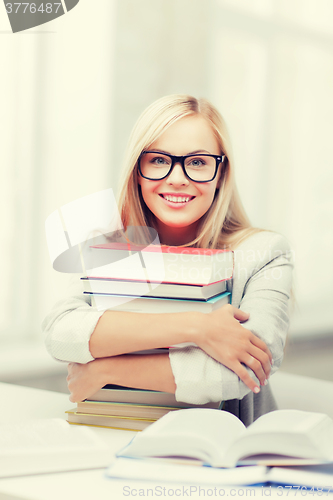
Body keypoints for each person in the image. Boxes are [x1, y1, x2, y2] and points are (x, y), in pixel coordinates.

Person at [42, 94, 293, 426]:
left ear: (221, 173)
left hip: (225, 456)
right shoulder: (113, 247)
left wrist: (105, 369)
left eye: (199, 162)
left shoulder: (265, 252)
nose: (177, 177)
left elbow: (245, 370)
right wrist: (198, 326)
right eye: (159, 160)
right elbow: (61, 333)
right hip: (114, 438)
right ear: (138, 171)